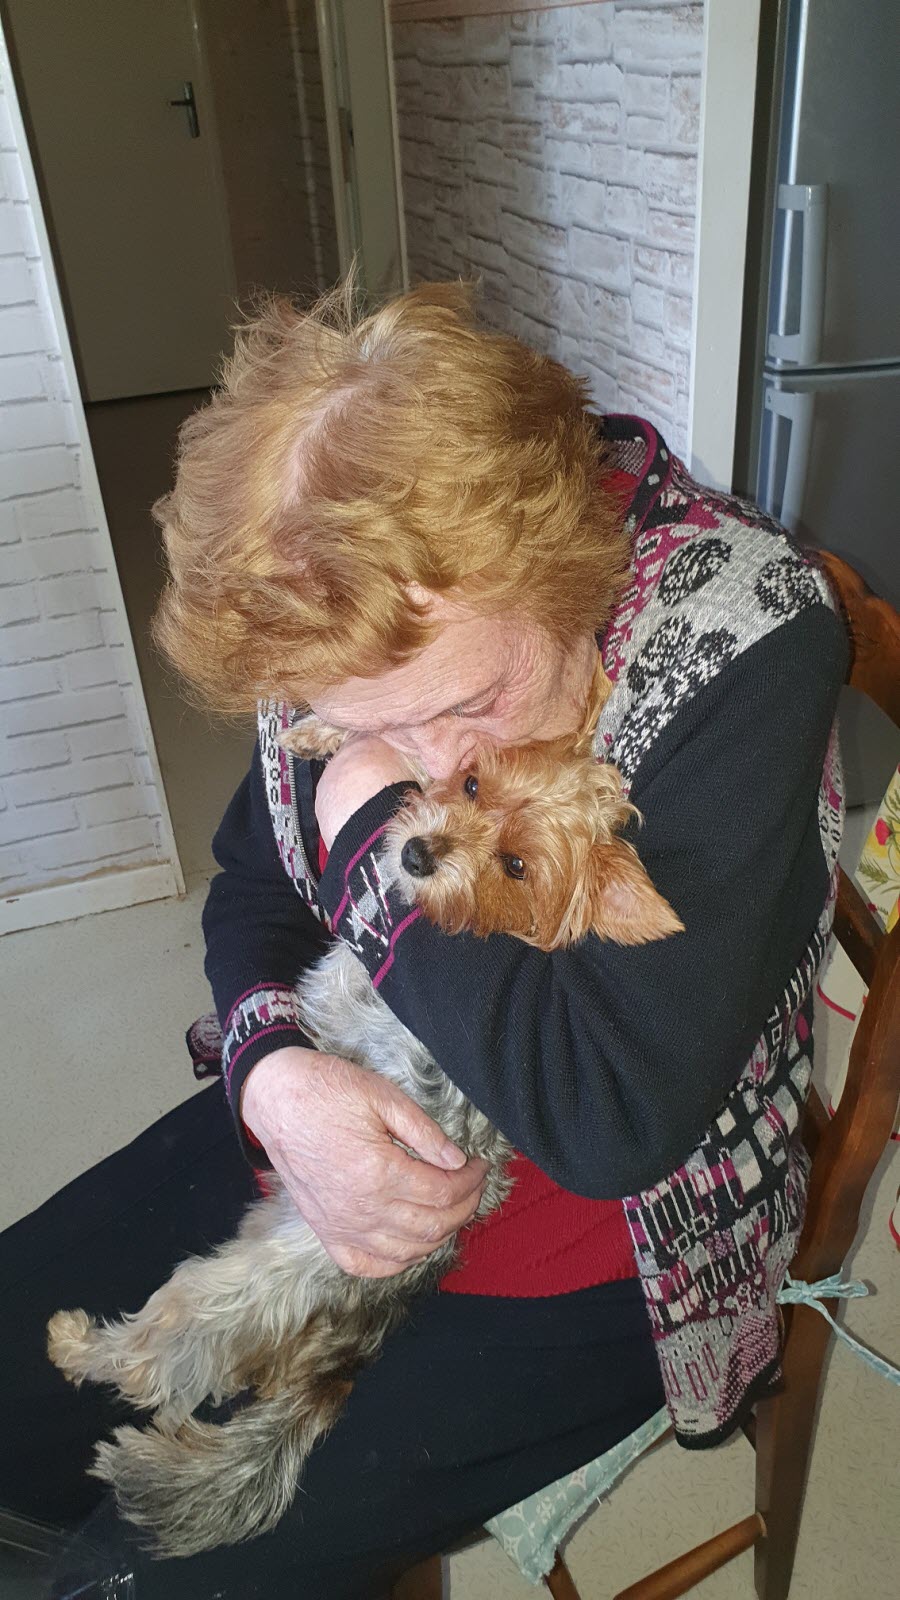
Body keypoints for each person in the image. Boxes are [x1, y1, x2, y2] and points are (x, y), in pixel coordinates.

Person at [0, 281, 848, 1599]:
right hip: (353, 1085)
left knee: (137, 1579)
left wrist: (360, 822)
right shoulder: (340, 625)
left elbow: (614, 1120)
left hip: (621, 1229)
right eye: (358, 728)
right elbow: (251, 886)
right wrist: (272, 1076)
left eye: (474, 703)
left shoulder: (746, 634)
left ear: (558, 575)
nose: (419, 771)